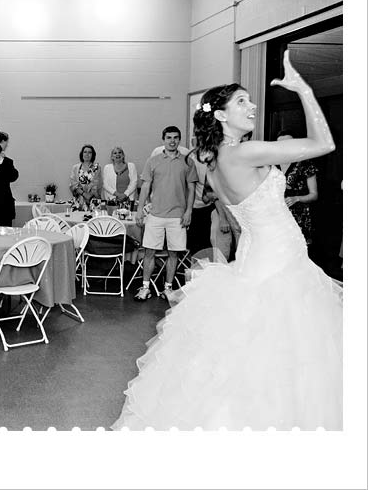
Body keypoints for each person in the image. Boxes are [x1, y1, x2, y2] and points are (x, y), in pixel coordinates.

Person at [113, 51, 342, 430]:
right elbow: (323, 143)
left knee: (247, 354)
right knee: (288, 355)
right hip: (278, 263)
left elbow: (244, 214)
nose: (251, 106)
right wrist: (303, 89)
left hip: (260, 254)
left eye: (249, 100)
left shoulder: (215, 164)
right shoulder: (244, 152)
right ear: (220, 115)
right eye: (242, 101)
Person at [133, 126, 197, 301]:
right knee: (149, 252)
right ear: (163, 139)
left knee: (174, 253)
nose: (172, 141)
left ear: (179, 139)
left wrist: (189, 211)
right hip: (155, 215)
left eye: (176, 137)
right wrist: (139, 210)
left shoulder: (187, 162)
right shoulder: (152, 161)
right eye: (169, 137)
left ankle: (168, 288)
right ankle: (145, 287)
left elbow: (191, 189)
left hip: (177, 216)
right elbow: (145, 187)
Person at [275, 129, 319, 245]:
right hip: (276, 216)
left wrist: (297, 198)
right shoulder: (272, 163)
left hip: (299, 218)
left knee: (297, 253)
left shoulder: (305, 163)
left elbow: (314, 195)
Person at [69, 144, 101, 209]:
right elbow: (73, 184)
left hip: (93, 200)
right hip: (79, 200)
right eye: (85, 152)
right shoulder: (75, 167)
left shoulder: (97, 167)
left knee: (93, 218)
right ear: (82, 154)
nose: (87, 154)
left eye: (90, 152)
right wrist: (84, 194)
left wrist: (89, 195)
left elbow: (97, 183)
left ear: (93, 155)